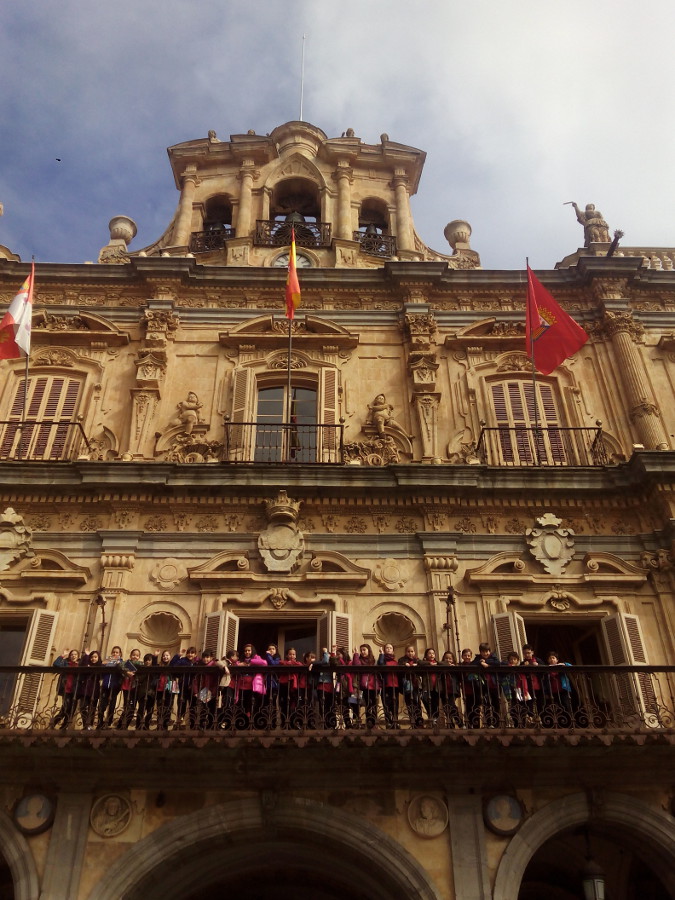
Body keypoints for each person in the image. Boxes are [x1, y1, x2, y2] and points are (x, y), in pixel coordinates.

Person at [234, 644, 267, 728]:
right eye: (245, 651)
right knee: (242, 705)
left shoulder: (256, 658)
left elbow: (264, 663)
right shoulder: (241, 660)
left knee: (252, 705)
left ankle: (251, 724)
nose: (247, 652)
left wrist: (251, 662)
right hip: (241, 686)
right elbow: (235, 664)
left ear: (252, 651)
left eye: (249, 650)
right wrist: (240, 664)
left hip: (252, 687)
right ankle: (242, 724)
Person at [472, 643, 501, 727]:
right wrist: (481, 662)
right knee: (486, 705)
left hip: (494, 685)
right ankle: (488, 723)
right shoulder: (478, 659)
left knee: (496, 704)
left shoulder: (493, 657)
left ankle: (496, 724)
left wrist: (487, 663)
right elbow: (472, 664)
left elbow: (498, 663)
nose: (486, 653)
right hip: (484, 686)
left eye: (487, 651)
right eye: (484, 652)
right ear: (480, 652)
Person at [170, 647, 199, 729]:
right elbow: (172, 666)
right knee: (181, 704)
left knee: (193, 706)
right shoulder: (183, 660)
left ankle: (193, 725)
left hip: (194, 688)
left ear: (195, 654)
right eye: (189, 653)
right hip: (183, 686)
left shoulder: (197, 662)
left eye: (192, 653)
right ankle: (179, 722)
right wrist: (178, 655)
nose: (190, 654)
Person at [542, 651, 573, 727]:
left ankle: (570, 724)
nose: (552, 659)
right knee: (556, 709)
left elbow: (571, 666)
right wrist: (546, 693)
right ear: (548, 660)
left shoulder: (561, 666)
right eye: (550, 658)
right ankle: (559, 725)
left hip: (563, 690)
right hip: (553, 692)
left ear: (557, 660)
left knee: (566, 706)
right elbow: (545, 683)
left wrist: (564, 664)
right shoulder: (547, 670)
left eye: (553, 658)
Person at [52, 649, 80, 729]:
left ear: (78, 656)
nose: (73, 656)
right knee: (66, 708)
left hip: (75, 690)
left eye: (75, 654)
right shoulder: (65, 663)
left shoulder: (79, 665)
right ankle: (55, 723)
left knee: (72, 710)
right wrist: (62, 656)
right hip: (66, 689)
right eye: (72, 654)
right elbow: (56, 664)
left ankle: (64, 726)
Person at [500, 651, 530, 727]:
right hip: (512, 690)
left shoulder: (520, 669)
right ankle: (516, 723)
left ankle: (522, 724)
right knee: (513, 708)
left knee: (522, 708)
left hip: (520, 690)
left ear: (517, 660)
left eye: (514, 659)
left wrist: (525, 692)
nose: (512, 661)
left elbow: (524, 681)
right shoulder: (507, 669)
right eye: (511, 659)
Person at [97, 646, 125, 729]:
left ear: (120, 654)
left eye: (117, 652)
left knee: (112, 705)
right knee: (102, 705)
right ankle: (100, 722)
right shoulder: (107, 661)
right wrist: (103, 664)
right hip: (105, 685)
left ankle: (108, 722)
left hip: (115, 686)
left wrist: (118, 664)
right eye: (113, 652)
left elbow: (127, 670)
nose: (115, 654)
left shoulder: (122, 662)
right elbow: (100, 671)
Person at [352, 644, 378, 728]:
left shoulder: (373, 660)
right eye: (361, 650)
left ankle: (372, 722)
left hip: (372, 686)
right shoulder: (358, 659)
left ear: (368, 650)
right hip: (360, 686)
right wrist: (356, 654)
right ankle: (357, 722)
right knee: (356, 703)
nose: (362, 652)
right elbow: (356, 665)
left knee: (372, 704)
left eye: (364, 650)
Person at [398, 644, 422, 728]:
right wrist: (405, 664)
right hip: (407, 686)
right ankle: (413, 722)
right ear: (405, 652)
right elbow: (399, 664)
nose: (410, 653)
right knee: (409, 703)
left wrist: (417, 665)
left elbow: (424, 664)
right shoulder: (402, 660)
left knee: (417, 702)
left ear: (414, 652)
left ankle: (419, 721)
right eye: (408, 651)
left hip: (416, 686)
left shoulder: (417, 660)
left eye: (412, 651)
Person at [116, 648, 141, 729]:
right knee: (127, 706)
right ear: (130, 655)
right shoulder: (126, 663)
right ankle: (121, 725)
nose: (135, 657)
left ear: (139, 657)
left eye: (137, 655)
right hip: (126, 687)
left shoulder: (140, 664)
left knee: (132, 707)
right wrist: (127, 672)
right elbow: (119, 665)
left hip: (134, 687)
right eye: (133, 655)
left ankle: (124, 725)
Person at [278, 647, 302, 728]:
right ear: (287, 655)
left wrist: (291, 663)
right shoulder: (283, 663)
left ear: (295, 656)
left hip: (293, 687)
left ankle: (293, 724)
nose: (292, 656)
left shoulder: (297, 663)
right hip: (284, 685)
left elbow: (300, 665)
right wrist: (290, 663)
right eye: (290, 654)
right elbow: (281, 662)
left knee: (293, 706)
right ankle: (284, 724)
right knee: (284, 705)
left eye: (293, 654)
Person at [377, 643, 400, 728]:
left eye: (390, 648)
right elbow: (380, 664)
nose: (389, 649)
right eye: (387, 648)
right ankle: (388, 722)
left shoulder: (396, 662)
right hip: (385, 685)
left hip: (395, 686)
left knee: (395, 705)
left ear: (393, 650)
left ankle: (395, 721)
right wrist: (381, 654)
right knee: (386, 704)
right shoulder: (382, 659)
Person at [78, 649, 102, 730]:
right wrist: (87, 656)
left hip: (94, 690)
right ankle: (86, 724)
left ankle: (90, 725)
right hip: (84, 689)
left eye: (95, 657)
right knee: (82, 707)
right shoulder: (87, 664)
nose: (93, 659)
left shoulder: (100, 666)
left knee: (92, 708)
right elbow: (82, 665)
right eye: (92, 657)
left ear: (98, 658)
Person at [521, 644, 545, 721]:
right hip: (528, 687)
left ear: (532, 652)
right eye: (525, 653)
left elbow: (545, 670)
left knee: (540, 704)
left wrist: (538, 666)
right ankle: (530, 719)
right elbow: (519, 673)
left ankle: (541, 719)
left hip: (539, 686)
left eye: (528, 652)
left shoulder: (538, 661)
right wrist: (524, 667)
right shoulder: (523, 663)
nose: (527, 655)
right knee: (529, 704)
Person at [439, 650, 461, 727]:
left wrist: (454, 669)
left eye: (450, 658)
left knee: (452, 705)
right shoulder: (441, 667)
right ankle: (450, 724)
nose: (448, 660)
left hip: (452, 690)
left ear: (453, 660)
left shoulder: (455, 667)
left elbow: (459, 677)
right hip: (444, 690)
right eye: (446, 658)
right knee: (446, 707)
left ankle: (459, 722)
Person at [155, 650, 176, 730]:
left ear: (170, 656)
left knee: (168, 707)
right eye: (164, 655)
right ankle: (159, 726)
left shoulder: (172, 664)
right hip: (160, 688)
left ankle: (165, 726)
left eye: (167, 655)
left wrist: (177, 655)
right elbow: (153, 666)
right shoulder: (159, 665)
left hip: (170, 687)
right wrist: (155, 656)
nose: (165, 657)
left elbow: (176, 661)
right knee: (160, 708)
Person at [460, 647, 480, 727]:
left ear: (471, 656)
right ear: (462, 657)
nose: (467, 657)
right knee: (468, 708)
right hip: (467, 690)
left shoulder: (474, 664)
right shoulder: (461, 666)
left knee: (476, 708)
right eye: (465, 655)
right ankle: (469, 725)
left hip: (475, 689)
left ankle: (476, 726)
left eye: (468, 655)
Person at [419, 648, 440, 725]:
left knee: (435, 703)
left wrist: (436, 663)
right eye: (430, 653)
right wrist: (428, 663)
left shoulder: (437, 663)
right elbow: (419, 663)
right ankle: (431, 715)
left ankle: (435, 718)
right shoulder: (424, 663)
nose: (432, 655)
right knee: (425, 699)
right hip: (427, 686)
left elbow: (444, 663)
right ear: (426, 655)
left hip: (436, 687)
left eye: (433, 653)